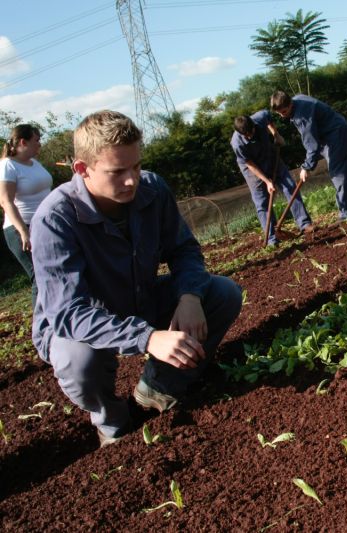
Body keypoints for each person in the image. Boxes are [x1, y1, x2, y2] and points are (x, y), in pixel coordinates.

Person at [30, 111, 243, 447]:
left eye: (136, 166)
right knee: (77, 360)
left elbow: (184, 249)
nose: (131, 180)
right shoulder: (54, 219)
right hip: (76, 324)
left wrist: (189, 297)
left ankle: (158, 388)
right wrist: (147, 339)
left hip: (138, 299)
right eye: (117, 172)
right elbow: (69, 312)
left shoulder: (152, 189)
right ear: (82, 170)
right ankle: (111, 419)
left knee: (222, 293)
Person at [270, 91, 347, 221]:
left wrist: (306, 167)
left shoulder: (302, 115)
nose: (282, 116)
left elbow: (311, 143)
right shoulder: (297, 100)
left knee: (339, 174)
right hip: (336, 131)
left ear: (290, 104)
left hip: (335, 136)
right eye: (278, 113)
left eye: (284, 112)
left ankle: (346, 213)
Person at [231, 111, 314, 245]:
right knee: (262, 202)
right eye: (246, 135)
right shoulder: (237, 143)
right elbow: (249, 164)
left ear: (253, 125)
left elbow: (268, 117)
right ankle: (271, 238)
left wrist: (276, 134)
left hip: (270, 155)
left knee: (290, 187)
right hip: (252, 168)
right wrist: (267, 181)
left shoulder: (259, 118)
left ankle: (304, 224)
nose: (249, 136)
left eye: (251, 132)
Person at [0, 124, 53, 306]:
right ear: (23, 142)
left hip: (45, 225)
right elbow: (5, 201)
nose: (40, 144)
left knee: (54, 272)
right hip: (22, 228)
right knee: (39, 275)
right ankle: (41, 328)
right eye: (36, 140)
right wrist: (23, 231)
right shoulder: (8, 165)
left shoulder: (34, 163)